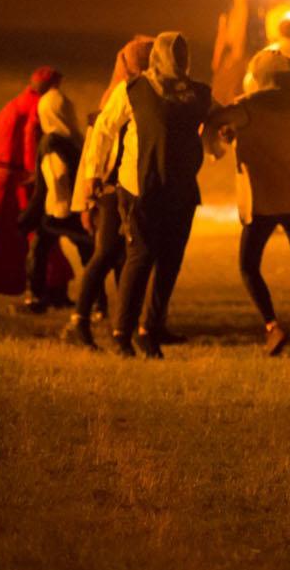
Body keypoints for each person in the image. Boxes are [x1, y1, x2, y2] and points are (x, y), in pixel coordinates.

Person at [84, 33, 215, 358]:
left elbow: (218, 117)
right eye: (173, 56)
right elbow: (104, 129)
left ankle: (148, 330)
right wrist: (92, 175)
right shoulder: (134, 90)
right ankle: (121, 334)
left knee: (170, 263)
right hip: (141, 188)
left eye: (181, 56)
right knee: (140, 259)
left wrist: (231, 125)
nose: (178, 63)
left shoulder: (197, 94)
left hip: (181, 190)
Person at [204, 49, 290, 353]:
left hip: (262, 201)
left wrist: (217, 145)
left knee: (249, 266)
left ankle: (272, 325)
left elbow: (216, 119)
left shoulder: (248, 106)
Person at [65, 36, 153, 348]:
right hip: (112, 188)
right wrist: (88, 191)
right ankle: (81, 320)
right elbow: (98, 142)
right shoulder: (122, 93)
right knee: (105, 254)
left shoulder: (147, 91)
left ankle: (128, 325)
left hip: (126, 186)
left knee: (123, 256)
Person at [0, 68, 59, 303]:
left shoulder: (15, 103)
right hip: (16, 180)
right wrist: (33, 172)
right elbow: (31, 135)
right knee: (34, 233)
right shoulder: (37, 105)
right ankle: (49, 286)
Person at [20, 81, 91, 313]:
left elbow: (57, 174)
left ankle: (36, 297)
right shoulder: (74, 140)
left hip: (57, 211)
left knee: (39, 249)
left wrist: (52, 206)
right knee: (87, 253)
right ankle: (98, 303)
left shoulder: (51, 141)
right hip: (77, 207)